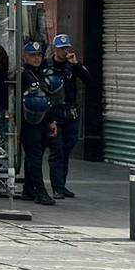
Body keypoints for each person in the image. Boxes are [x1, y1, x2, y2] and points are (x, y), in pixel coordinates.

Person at [42, 34, 92, 198]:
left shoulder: (72, 66)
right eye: (62, 48)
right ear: (55, 48)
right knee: (56, 150)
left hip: (71, 113)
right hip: (55, 113)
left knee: (67, 148)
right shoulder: (47, 66)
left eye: (67, 48)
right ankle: (56, 187)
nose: (65, 51)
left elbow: (89, 81)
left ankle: (62, 185)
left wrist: (76, 65)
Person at [19, 39, 58, 205]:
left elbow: (49, 98)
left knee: (36, 155)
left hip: (43, 120)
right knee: (34, 156)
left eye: (38, 55)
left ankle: (29, 189)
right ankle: (40, 190)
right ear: (24, 56)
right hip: (28, 122)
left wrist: (51, 121)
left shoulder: (41, 73)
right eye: (32, 55)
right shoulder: (21, 75)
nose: (36, 58)